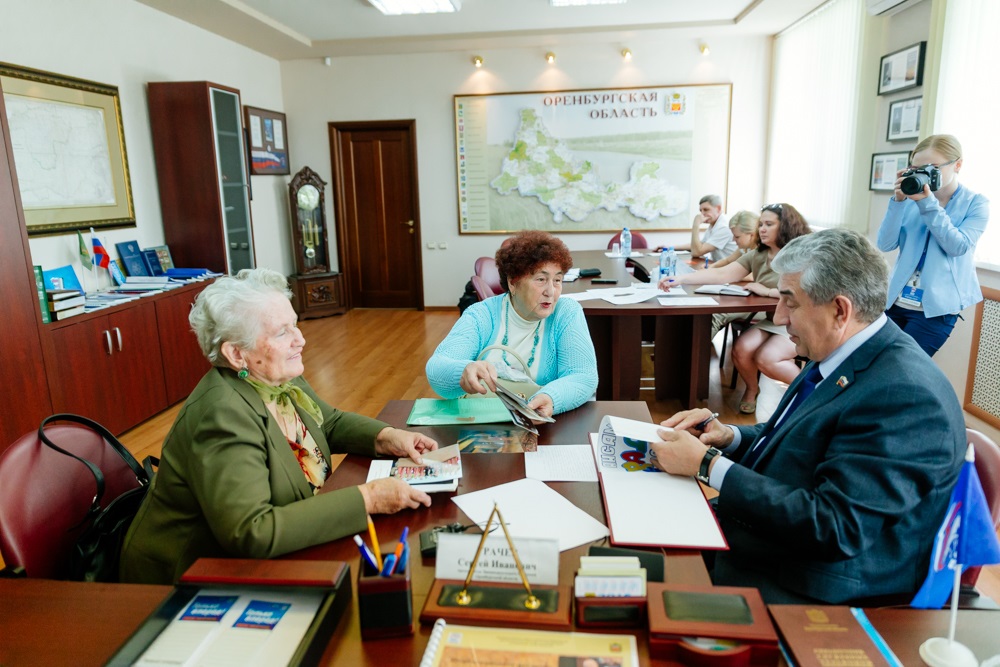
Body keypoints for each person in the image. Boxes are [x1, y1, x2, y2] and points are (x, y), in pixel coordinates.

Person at [652, 229, 966, 605]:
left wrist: (707, 465)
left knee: (647, 586)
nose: (779, 316)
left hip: (814, 582)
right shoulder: (842, 349)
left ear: (839, 310)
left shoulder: (904, 395)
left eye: (790, 302)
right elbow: (798, 435)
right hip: (768, 537)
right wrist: (728, 437)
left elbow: (836, 527)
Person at [120, 269, 437, 584]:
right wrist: (369, 499)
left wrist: (386, 436)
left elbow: (327, 422)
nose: (301, 339)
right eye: (282, 333)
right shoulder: (223, 416)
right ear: (236, 353)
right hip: (182, 582)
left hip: (276, 553)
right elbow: (252, 531)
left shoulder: (275, 377)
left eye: (295, 325)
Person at [426, 230, 598, 417]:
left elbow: (583, 376)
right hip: (483, 422)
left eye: (557, 280)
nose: (551, 291)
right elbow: (437, 368)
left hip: (544, 423)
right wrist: (464, 370)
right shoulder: (481, 314)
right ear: (513, 283)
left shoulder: (566, 312)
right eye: (541, 279)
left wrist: (551, 398)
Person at [659, 203, 811, 413]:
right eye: (761, 224)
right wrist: (681, 279)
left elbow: (804, 293)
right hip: (773, 319)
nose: (762, 229)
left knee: (767, 358)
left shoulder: (800, 255)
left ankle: (814, 393)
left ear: (785, 226)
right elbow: (723, 274)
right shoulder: (758, 254)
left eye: (769, 224)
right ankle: (752, 389)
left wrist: (767, 291)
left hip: (798, 321)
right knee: (741, 349)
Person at [877, 134, 990, 356]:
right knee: (874, 364)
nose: (924, 174)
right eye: (917, 168)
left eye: (932, 168)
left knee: (906, 368)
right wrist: (898, 202)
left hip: (935, 311)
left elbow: (957, 247)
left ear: (958, 165)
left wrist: (928, 204)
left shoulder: (976, 204)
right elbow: (885, 243)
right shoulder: (909, 198)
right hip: (895, 302)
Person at [671, 194, 739, 263]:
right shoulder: (714, 224)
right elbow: (699, 245)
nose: (702, 214)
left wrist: (696, 224)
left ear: (718, 208)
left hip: (729, 267)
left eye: (706, 210)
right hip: (718, 265)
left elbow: (696, 252)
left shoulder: (724, 227)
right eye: (701, 211)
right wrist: (671, 247)